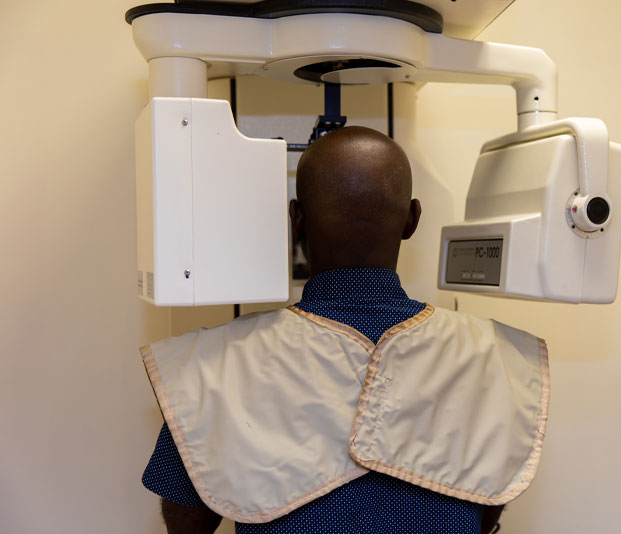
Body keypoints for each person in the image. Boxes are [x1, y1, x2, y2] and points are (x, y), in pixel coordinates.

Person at [140, 126, 548, 534]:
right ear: (412, 219)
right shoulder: (499, 360)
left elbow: (187, 519)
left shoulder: (214, 370)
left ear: (296, 219)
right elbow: (489, 503)